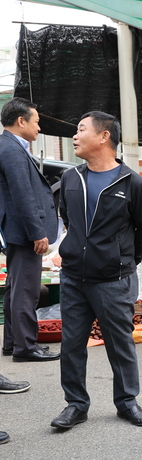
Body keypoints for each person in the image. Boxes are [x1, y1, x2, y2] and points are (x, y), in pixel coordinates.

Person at [52, 111, 142, 429]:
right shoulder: (71, 177)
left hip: (113, 278)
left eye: (81, 129)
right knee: (71, 343)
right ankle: (75, 404)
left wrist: (123, 261)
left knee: (120, 342)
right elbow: (68, 220)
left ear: (104, 136)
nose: (75, 135)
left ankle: (127, 402)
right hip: (73, 277)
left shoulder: (134, 183)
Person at [0, 98, 60, 362]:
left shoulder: (10, 146)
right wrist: (37, 232)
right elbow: (22, 194)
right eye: (36, 122)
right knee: (26, 290)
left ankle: (14, 343)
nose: (39, 128)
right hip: (23, 231)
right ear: (21, 121)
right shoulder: (11, 149)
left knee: (16, 288)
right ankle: (26, 347)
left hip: (16, 229)